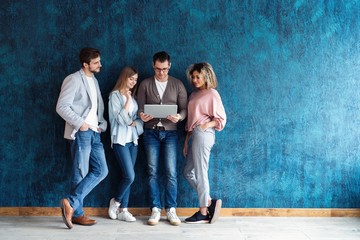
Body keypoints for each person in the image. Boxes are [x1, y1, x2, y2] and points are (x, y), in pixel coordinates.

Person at [56, 47, 108, 229]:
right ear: (85, 64)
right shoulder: (73, 79)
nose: (100, 65)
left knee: (101, 170)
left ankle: (71, 203)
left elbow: (96, 108)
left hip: (95, 133)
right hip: (81, 133)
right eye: (96, 63)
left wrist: (101, 124)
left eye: (99, 61)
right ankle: (77, 214)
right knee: (80, 173)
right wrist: (81, 124)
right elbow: (61, 106)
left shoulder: (94, 80)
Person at [137, 51, 188, 226]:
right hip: (150, 132)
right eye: (158, 69)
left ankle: (171, 209)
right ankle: (155, 209)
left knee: (171, 172)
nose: (161, 73)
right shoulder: (145, 84)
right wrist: (141, 115)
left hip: (171, 133)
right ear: (153, 66)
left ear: (170, 66)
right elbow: (139, 108)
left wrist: (179, 118)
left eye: (165, 69)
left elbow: (184, 109)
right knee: (152, 171)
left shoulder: (178, 84)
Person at [182, 62, 226, 224]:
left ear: (206, 76)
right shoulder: (193, 95)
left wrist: (205, 125)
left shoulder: (212, 94)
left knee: (201, 172)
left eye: (197, 77)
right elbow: (190, 120)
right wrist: (186, 141)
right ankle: (208, 201)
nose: (194, 80)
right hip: (194, 135)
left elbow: (221, 119)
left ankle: (203, 211)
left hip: (204, 134)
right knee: (188, 172)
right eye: (192, 77)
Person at [107, 66, 144, 222]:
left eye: (136, 80)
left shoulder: (134, 98)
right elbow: (122, 120)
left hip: (133, 141)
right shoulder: (114, 96)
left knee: (127, 176)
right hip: (120, 141)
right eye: (131, 79)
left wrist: (135, 122)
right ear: (124, 78)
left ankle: (124, 210)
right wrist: (128, 100)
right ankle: (115, 202)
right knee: (130, 176)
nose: (133, 82)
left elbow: (138, 122)